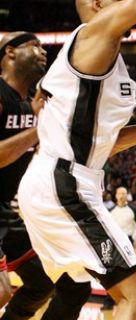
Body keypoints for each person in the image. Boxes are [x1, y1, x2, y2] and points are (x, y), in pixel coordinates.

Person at [17, 1, 136, 319]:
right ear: (99, 3)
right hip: (63, 184)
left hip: (64, 179)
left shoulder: (102, 54)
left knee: (73, 291)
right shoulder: (93, 35)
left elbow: (107, 144)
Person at [0, 31, 92, 320]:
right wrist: (42, 128)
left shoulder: (33, 104)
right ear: (10, 52)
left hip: (7, 212)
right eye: (33, 45)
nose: (42, 51)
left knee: (58, 284)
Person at [110, 186, 136, 254]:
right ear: (116, 195)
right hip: (115, 241)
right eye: (119, 193)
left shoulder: (134, 210)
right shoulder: (110, 211)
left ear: (127, 195)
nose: (121, 195)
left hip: (128, 240)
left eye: (124, 193)